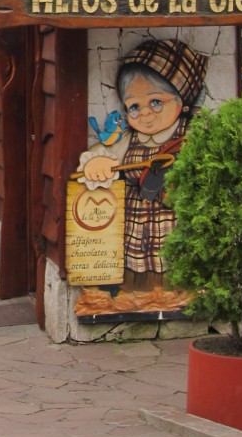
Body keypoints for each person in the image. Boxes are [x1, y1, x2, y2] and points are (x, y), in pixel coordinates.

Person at [78, 38, 208, 291]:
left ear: (181, 101)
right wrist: (97, 163)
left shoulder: (193, 135)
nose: (145, 114)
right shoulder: (129, 139)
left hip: (174, 225)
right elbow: (101, 154)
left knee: (175, 273)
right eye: (134, 107)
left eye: (156, 102)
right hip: (134, 232)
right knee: (137, 280)